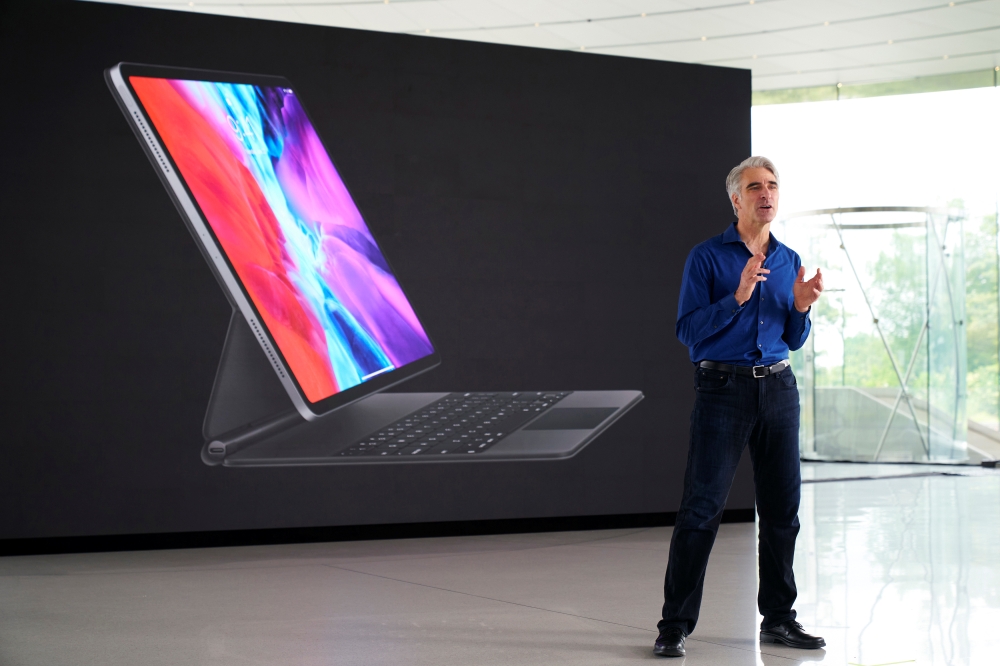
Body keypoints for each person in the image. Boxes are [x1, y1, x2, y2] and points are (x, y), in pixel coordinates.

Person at [653, 156, 825, 658]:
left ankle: (779, 619)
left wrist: (800, 307)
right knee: (700, 511)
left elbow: (792, 340)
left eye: (772, 185)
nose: (766, 193)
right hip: (722, 391)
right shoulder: (707, 258)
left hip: (778, 389)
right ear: (736, 199)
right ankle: (674, 625)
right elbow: (688, 332)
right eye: (755, 187)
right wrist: (740, 295)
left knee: (781, 512)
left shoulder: (789, 258)